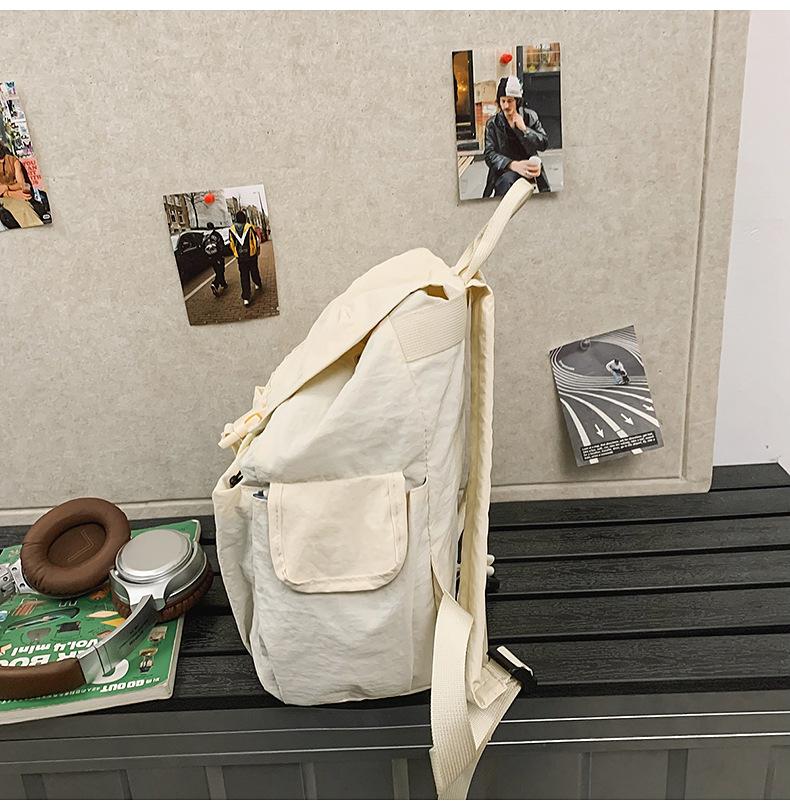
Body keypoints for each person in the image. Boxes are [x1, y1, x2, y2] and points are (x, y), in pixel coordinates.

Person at [483, 75, 550, 197]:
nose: (506, 106)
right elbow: (489, 154)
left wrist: (525, 130)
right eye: (503, 101)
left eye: (510, 101)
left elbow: (544, 144)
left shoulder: (530, 117)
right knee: (506, 184)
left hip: (530, 169)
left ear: (517, 101)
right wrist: (512, 165)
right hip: (505, 171)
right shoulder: (493, 123)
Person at [0, 142, 42, 228]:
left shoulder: (13, 160)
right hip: (6, 197)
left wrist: (7, 187)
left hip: (17, 193)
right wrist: (11, 193)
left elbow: (21, 184)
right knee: (22, 208)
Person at [228, 210, 262, 307]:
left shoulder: (232, 229)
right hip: (251, 255)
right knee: (254, 270)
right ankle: (257, 283)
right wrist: (257, 250)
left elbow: (232, 244)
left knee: (244, 276)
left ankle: (246, 298)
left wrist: (236, 254)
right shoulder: (249, 227)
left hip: (241, 257)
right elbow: (255, 240)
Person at [203, 221, 227, 297]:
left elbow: (202, 247)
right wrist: (222, 253)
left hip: (210, 256)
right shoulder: (216, 234)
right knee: (221, 270)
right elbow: (221, 244)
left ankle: (223, 283)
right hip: (217, 256)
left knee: (217, 270)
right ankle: (215, 284)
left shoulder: (205, 236)